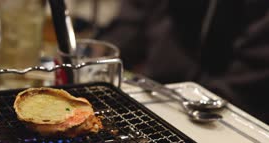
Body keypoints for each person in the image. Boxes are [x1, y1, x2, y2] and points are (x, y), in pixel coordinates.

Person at [96, 0, 269, 124]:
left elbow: (246, 83)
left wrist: (168, 108)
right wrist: (93, 64)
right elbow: (128, 29)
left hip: (236, 117)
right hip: (159, 93)